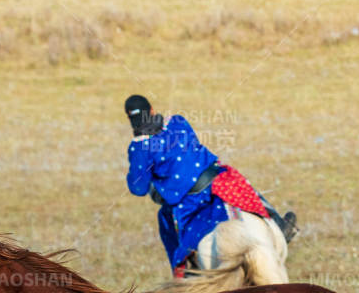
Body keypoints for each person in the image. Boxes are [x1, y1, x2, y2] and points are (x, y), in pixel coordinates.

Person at [122, 95, 297, 277]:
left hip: (186, 202)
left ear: (130, 118)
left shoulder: (139, 147)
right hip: (216, 182)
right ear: (151, 110)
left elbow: (138, 188)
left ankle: (185, 272)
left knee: (167, 222)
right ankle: (279, 223)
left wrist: (140, 147)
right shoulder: (177, 122)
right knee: (238, 182)